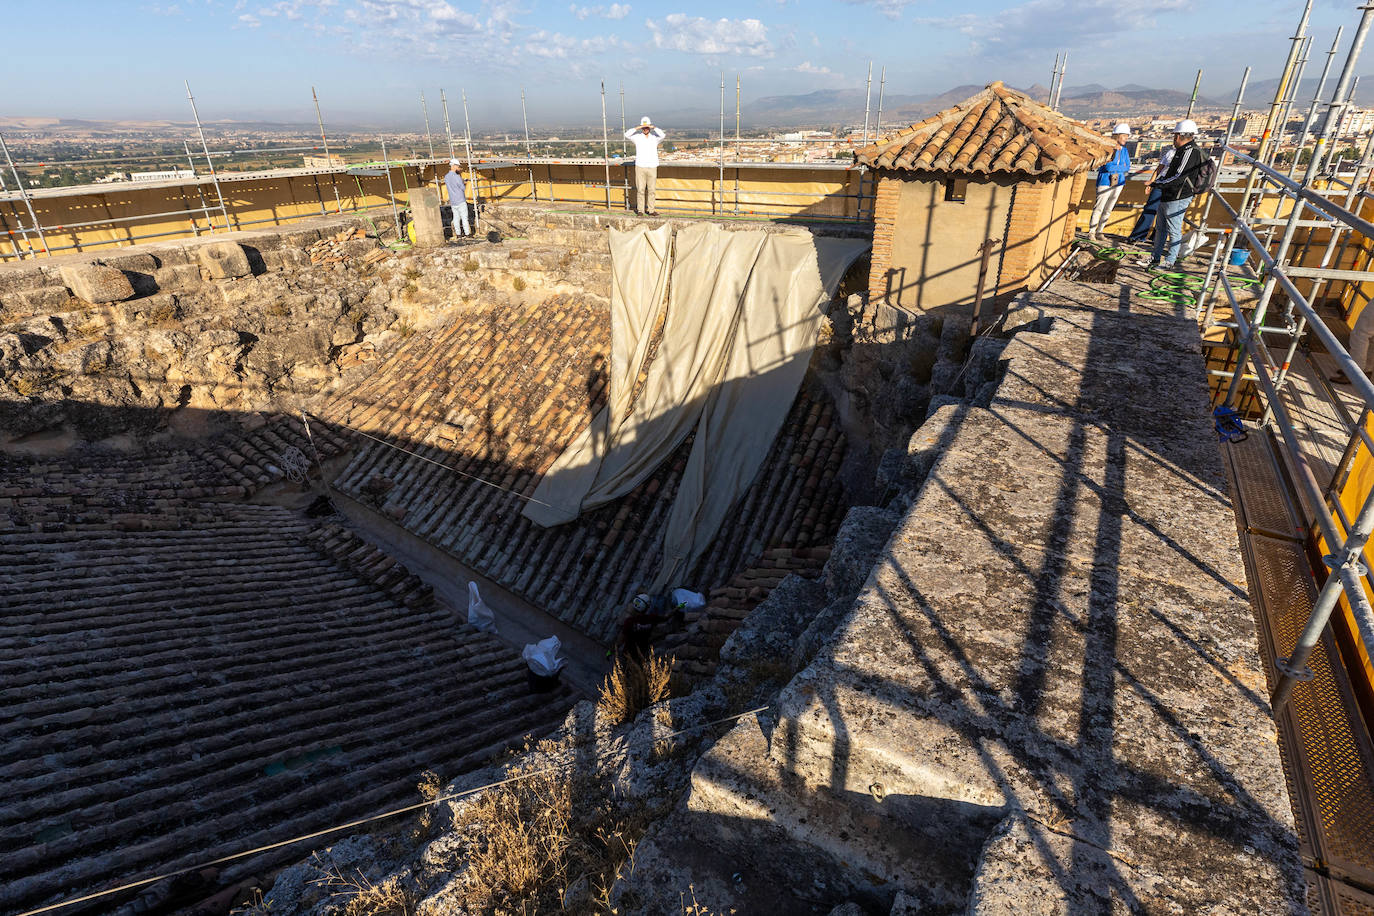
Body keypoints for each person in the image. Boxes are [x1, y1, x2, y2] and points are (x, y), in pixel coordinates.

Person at [1138, 119, 1206, 270]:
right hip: (1169, 194)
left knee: (1174, 230)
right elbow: (1171, 173)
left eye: (1175, 135)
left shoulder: (1190, 152)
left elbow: (1179, 176)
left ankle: (1169, 262)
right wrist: (1160, 184)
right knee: (1160, 228)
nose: (1173, 139)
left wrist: (1157, 184)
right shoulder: (1181, 151)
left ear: (1179, 136)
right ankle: (1155, 258)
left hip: (1178, 196)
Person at [1089, 123, 1132, 241]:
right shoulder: (1108, 148)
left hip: (1119, 182)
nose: (1126, 139)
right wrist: (1120, 167)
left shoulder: (1125, 151)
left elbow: (1127, 167)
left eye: (1127, 136)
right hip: (1105, 181)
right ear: (1117, 136)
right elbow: (1108, 167)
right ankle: (1092, 232)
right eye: (1124, 136)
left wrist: (1117, 168)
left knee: (1108, 209)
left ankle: (1100, 231)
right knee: (1099, 207)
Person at [1126, 144, 1176, 245]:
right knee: (1150, 208)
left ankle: (1157, 238)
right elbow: (1159, 169)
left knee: (1166, 213)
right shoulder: (1171, 153)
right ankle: (1138, 236)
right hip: (1161, 181)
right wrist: (1151, 183)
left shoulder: (1187, 155)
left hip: (1174, 184)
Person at [624, 116, 666, 215]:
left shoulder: (654, 138)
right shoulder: (637, 137)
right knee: (640, 190)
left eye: (647, 127)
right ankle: (640, 210)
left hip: (652, 166)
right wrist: (638, 127)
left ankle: (651, 210)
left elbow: (663, 135)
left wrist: (653, 127)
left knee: (652, 190)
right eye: (644, 127)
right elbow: (626, 134)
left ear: (649, 128)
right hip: (640, 166)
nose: (645, 129)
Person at [443, 158, 471, 237]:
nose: (458, 168)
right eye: (458, 166)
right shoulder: (457, 177)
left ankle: (458, 234)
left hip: (453, 201)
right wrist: (464, 183)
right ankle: (467, 233)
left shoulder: (446, 177)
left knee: (456, 218)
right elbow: (462, 188)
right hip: (460, 200)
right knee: (464, 218)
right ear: (454, 166)